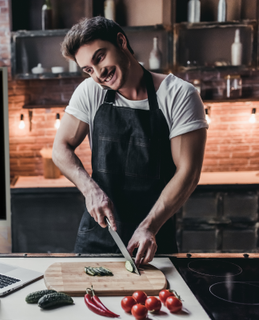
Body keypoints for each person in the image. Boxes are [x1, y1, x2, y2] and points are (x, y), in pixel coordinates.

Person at [52, 16, 208, 265]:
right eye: (88, 70)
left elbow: (188, 172)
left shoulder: (178, 95)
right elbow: (60, 148)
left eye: (100, 57)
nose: (98, 74)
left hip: (153, 239)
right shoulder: (90, 92)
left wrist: (149, 226)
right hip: (98, 236)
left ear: (121, 42)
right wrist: (90, 190)